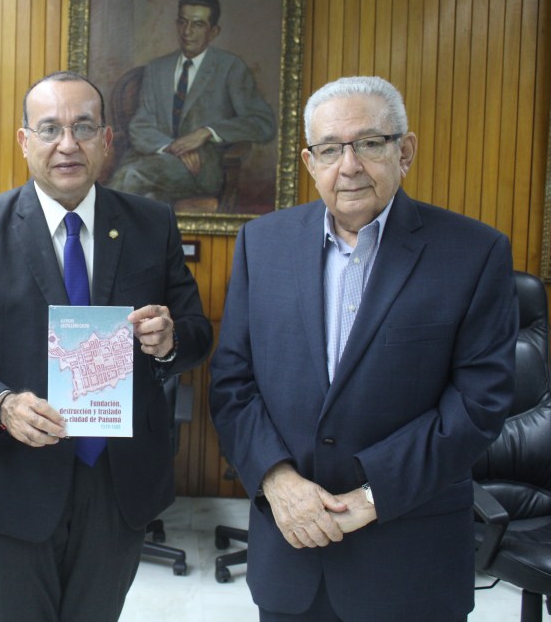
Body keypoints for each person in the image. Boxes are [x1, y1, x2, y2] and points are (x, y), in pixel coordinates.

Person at [208, 76, 517, 621]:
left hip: (409, 557)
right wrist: (277, 481)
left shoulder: (474, 251)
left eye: (369, 143)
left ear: (406, 151)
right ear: (309, 162)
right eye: (330, 149)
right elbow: (233, 382)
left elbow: (478, 402)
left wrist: (373, 496)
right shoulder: (263, 243)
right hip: (291, 550)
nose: (348, 165)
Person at [0, 71, 212, 621]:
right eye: (50, 128)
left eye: (83, 127)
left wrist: (172, 339)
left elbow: (198, 333)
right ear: (25, 140)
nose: (67, 144)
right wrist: (2, 405)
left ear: (107, 140)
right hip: (20, 473)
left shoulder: (151, 223)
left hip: (119, 478)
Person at [108, 0, 276, 209]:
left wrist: (206, 132)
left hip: (199, 169)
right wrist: (172, 147)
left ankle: (99, 232)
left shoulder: (230, 68)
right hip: (152, 158)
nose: (187, 32)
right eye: (183, 22)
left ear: (213, 31)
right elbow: (140, 124)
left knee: (129, 177)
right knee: (146, 202)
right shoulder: (157, 68)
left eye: (198, 24)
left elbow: (263, 124)